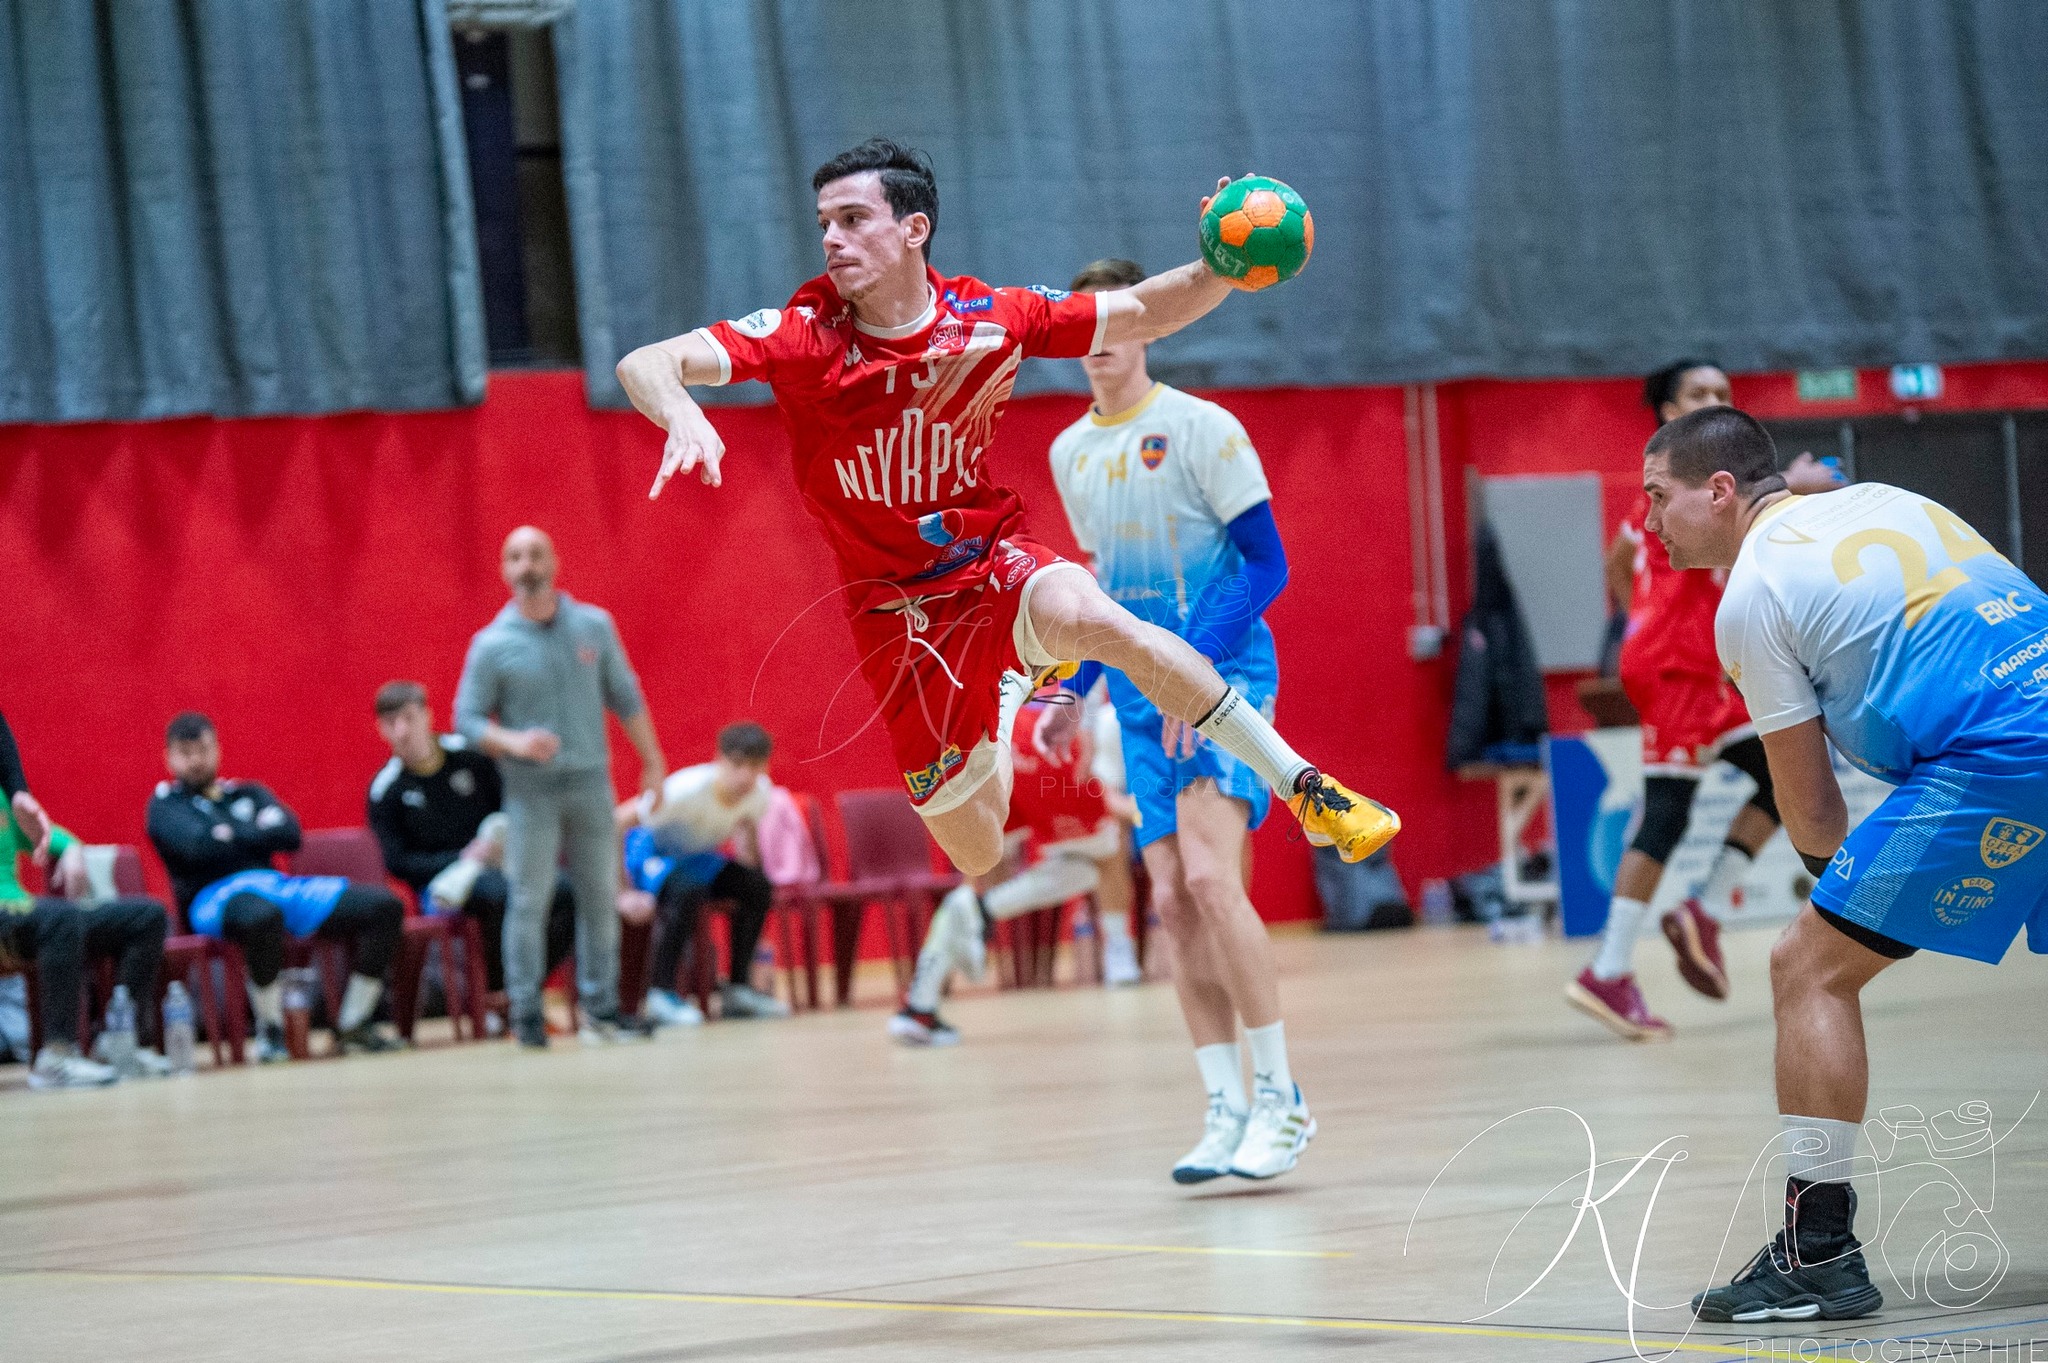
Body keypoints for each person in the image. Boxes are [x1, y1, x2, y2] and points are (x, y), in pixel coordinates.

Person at [613, 139, 1397, 914]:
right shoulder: (806, 335)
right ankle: (1010, 686)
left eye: (854, 219)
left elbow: (1142, 309)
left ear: (913, 229)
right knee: (977, 848)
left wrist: (1215, 271)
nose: (832, 240)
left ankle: (1302, 784)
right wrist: (680, 408)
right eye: (825, 222)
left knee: (1100, 619)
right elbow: (646, 361)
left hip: (993, 561)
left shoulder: (989, 318)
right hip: (902, 621)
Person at [1642, 406, 2048, 1322]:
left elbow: (1814, 808)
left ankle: (1816, 1247)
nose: (1648, 521)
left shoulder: (1751, 596)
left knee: (1807, 965)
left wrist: (1853, 903)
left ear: (1719, 491)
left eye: (1657, 497)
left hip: (1995, 757)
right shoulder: (1888, 499)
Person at [1031, 257, 1313, 1181]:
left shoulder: (1203, 428)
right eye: (1086, 324)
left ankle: (1284, 1099)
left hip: (1222, 675)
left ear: (1152, 326)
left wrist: (1192, 672)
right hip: (1140, 694)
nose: (1101, 339)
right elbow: (1101, 596)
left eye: (1119, 320)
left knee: (1209, 872)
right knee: (1169, 899)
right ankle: (1224, 1106)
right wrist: (1070, 689)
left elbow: (1264, 564)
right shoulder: (1070, 453)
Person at [1568, 361, 1844, 1042]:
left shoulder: (1678, 495)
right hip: (1679, 667)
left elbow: (1615, 559)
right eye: (1700, 396)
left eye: (1723, 394)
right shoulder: (1673, 488)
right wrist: (1801, 491)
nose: (1717, 401)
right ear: (1668, 413)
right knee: (1668, 811)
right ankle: (1608, 966)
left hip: (1699, 666)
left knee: (1786, 777)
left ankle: (1705, 911)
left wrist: (1635, 614)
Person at [454, 527, 666, 1049]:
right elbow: (467, 717)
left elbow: (626, 694)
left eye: (536, 553)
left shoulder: (593, 626)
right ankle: (526, 1010)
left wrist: (653, 761)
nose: (527, 564)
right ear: (504, 571)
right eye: (515, 556)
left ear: (555, 561)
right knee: (530, 900)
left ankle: (602, 1009)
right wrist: (513, 741)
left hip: (592, 782)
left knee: (601, 896)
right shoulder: (492, 644)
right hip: (532, 793)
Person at [147, 712, 404, 1059]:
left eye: (203, 749)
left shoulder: (247, 792)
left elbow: (289, 834)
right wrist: (254, 834)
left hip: (276, 886)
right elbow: (195, 847)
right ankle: (271, 1030)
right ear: (169, 757)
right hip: (213, 898)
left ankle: (354, 1024)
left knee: (384, 906)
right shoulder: (165, 804)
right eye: (185, 752)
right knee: (261, 916)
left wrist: (226, 834)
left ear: (217, 749)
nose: (196, 760)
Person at [889, 690, 1138, 1047]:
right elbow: (1115, 803)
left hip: (995, 736)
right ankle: (1119, 955)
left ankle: (919, 1005)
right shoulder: (1116, 711)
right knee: (1107, 851)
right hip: (1055, 739)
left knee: (980, 874)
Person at [368, 680, 576, 1025]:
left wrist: (504, 843)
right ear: (382, 730)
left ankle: (521, 989)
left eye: (408, 717)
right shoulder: (385, 789)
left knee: (567, 892)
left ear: (427, 716)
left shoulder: (471, 757)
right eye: (392, 723)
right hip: (441, 887)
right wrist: (462, 859)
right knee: (497, 894)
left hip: (500, 864)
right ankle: (495, 995)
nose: (402, 730)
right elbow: (398, 863)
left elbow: (512, 808)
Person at [621, 721, 791, 1026]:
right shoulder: (685, 789)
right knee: (688, 888)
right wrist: (621, 889)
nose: (745, 776)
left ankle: (738, 989)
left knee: (756, 886)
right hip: (648, 854)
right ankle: (661, 993)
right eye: (737, 765)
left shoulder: (761, 794)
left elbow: (747, 843)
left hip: (697, 860)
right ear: (719, 760)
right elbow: (617, 820)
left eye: (755, 766)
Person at [1, 795, 171, 1087]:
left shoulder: (6, 797)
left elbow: (46, 836)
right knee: (60, 919)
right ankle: (57, 1057)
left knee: (147, 916)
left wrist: (72, 850)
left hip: (24, 912)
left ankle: (118, 1042)